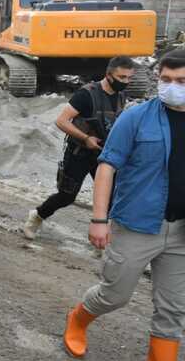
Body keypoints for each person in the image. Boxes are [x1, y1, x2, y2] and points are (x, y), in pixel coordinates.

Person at [63, 50, 185, 361]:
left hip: (181, 233)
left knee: (173, 308)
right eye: (166, 80)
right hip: (136, 225)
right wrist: (99, 219)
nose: (172, 88)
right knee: (115, 294)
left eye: (181, 82)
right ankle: (78, 319)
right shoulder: (136, 118)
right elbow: (106, 167)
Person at [23, 56, 135, 239]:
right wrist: (86, 138)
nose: (126, 82)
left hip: (104, 154)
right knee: (67, 196)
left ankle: (105, 240)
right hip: (80, 153)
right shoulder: (87, 94)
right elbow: (61, 121)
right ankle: (37, 216)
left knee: (110, 198)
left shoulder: (121, 95)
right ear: (108, 75)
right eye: (122, 77)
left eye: (129, 78)